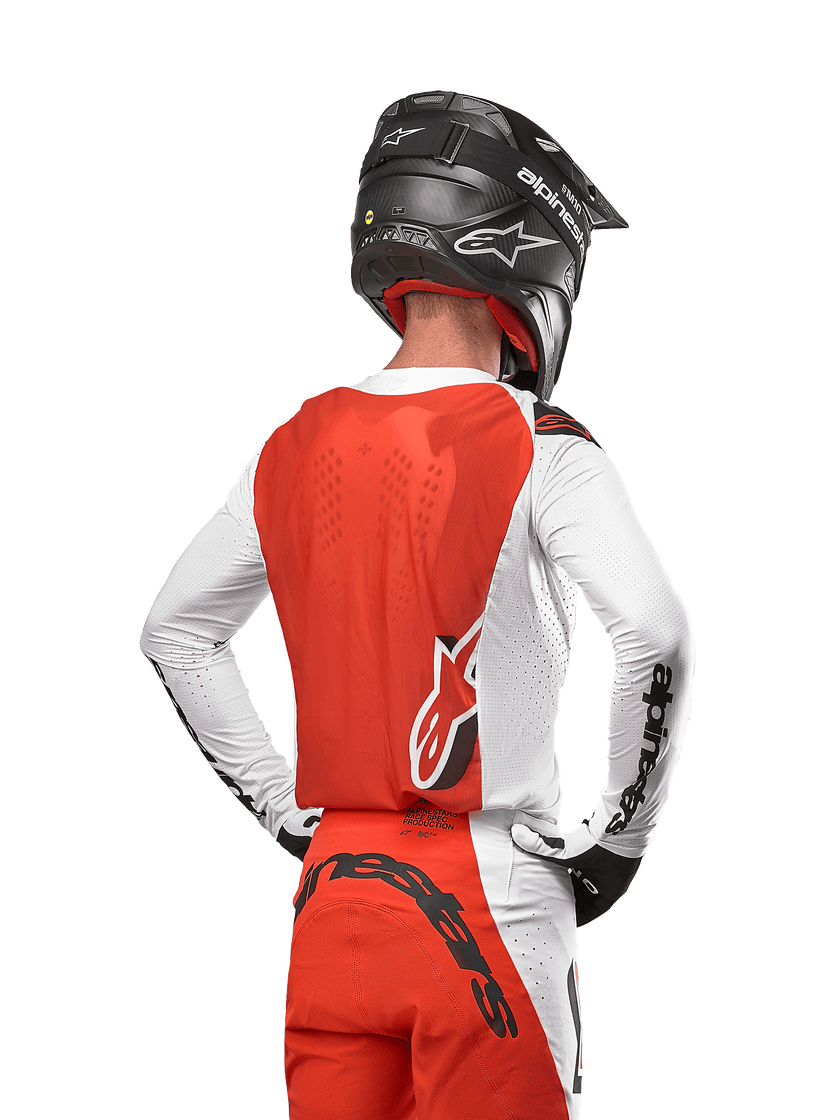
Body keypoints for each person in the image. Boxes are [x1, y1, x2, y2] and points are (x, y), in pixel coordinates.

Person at [139, 90, 695, 1120]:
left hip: (335, 898)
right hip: (490, 902)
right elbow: (657, 636)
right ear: (532, 251)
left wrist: (280, 806)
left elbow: (176, 633)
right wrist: (620, 837)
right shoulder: (546, 450)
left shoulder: (289, 442)